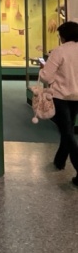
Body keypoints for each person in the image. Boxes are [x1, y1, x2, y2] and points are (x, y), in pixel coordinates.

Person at [39, 21, 78, 186]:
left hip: (61, 96)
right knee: (67, 129)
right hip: (77, 97)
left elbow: (46, 77)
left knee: (67, 132)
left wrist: (43, 68)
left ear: (63, 36)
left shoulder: (59, 51)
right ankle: (59, 161)